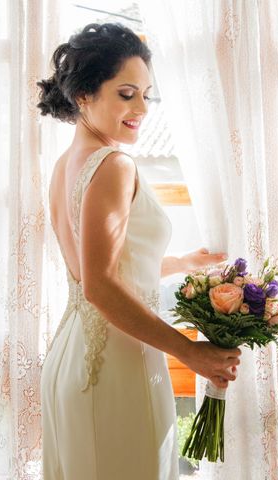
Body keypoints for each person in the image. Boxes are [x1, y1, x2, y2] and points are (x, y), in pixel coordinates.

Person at [37, 23, 241, 480]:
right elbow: (101, 286)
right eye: (127, 93)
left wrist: (184, 264)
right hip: (116, 367)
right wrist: (190, 353)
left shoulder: (62, 167)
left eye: (146, 95)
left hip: (71, 361)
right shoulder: (114, 165)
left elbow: (102, 267)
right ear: (84, 94)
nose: (141, 109)